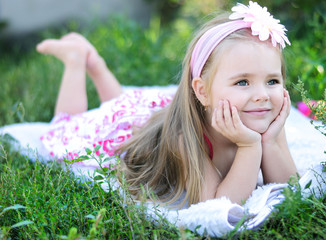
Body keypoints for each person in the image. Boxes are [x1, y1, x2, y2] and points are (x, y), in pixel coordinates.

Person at [37, 1, 297, 207]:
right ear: (203, 92)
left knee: (126, 103)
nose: (263, 95)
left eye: (273, 81)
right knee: (74, 124)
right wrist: (250, 146)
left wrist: (270, 141)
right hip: (128, 134)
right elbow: (221, 206)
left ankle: (95, 64)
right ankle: (76, 61)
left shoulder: (263, 118)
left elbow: (290, 187)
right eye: (242, 82)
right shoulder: (187, 139)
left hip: (148, 114)